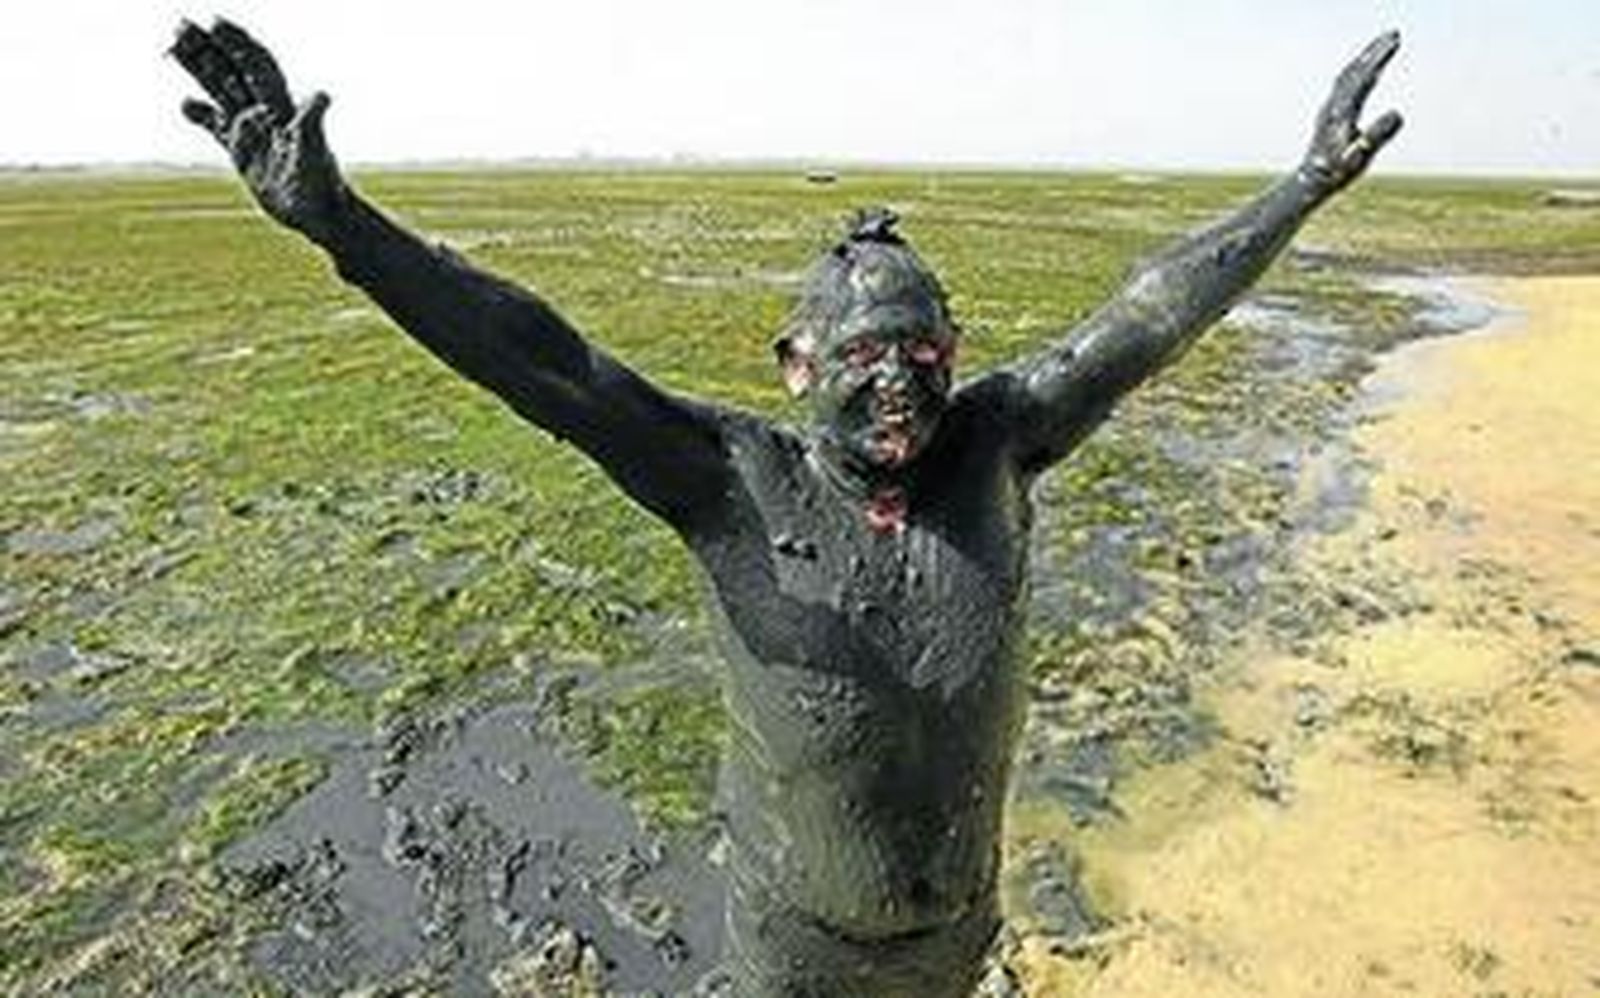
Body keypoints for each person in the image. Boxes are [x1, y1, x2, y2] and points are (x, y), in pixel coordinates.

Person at [171, 19, 1400, 996]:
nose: (899, 381)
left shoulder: (1001, 448)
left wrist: (1303, 184)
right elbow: (533, 354)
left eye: (924, 353)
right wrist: (343, 226)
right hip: (793, 959)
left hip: (955, 940)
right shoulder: (730, 483)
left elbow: (1146, 312)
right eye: (865, 354)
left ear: (955, 350)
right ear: (796, 365)